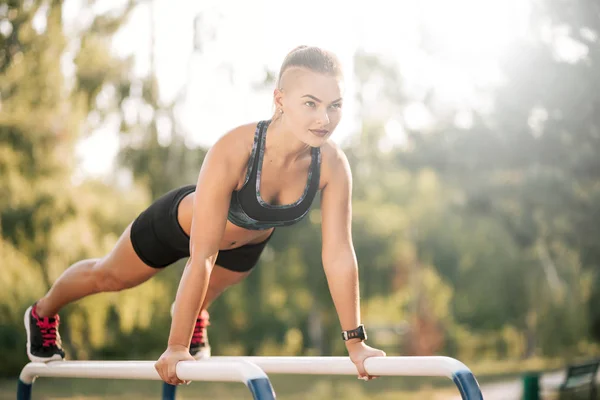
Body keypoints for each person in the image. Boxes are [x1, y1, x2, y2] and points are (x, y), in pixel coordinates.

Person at [24, 45, 386, 385]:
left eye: (334, 106)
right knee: (109, 276)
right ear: (280, 99)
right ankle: (43, 312)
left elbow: (339, 254)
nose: (324, 118)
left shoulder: (333, 164)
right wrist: (176, 347)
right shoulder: (235, 149)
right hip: (179, 228)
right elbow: (203, 255)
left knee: (208, 292)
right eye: (311, 103)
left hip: (247, 245)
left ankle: (197, 314)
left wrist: (355, 343)